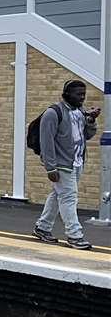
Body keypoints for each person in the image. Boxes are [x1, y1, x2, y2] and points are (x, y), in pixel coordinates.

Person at [34, 79, 100, 250]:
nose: (82, 98)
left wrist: (91, 120)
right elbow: (46, 142)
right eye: (79, 94)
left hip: (76, 162)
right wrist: (50, 167)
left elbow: (87, 135)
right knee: (69, 197)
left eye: (84, 94)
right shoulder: (52, 113)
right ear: (67, 94)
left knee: (58, 195)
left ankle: (42, 227)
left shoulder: (80, 112)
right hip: (61, 164)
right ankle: (74, 235)